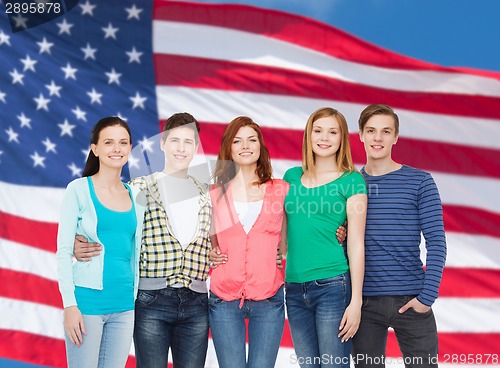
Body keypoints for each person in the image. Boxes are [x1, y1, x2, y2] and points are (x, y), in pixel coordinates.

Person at [73, 113, 212, 368]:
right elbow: (113, 227)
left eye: (189, 142)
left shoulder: (207, 193)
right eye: (175, 140)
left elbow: (220, 237)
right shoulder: (139, 188)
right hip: (152, 299)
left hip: (196, 301)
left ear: (196, 147)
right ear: (162, 144)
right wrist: (76, 242)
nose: (181, 148)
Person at [351, 104, 447, 368]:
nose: (377, 138)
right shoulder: (349, 184)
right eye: (371, 131)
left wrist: (426, 298)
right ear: (360, 135)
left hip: (412, 300)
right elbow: (346, 241)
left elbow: (437, 243)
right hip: (364, 304)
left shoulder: (420, 182)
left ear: (395, 137)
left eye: (385, 131)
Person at [56, 117, 146, 367]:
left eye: (123, 142)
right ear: (95, 148)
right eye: (109, 142)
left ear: (130, 148)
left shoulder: (136, 195)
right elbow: (63, 251)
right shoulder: (78, 189)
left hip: (125, 305)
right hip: (87, 304)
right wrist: (70, 306)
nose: (116, 149)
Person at [283, 107, 367, 368]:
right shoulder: (290, 177)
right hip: (294, 288)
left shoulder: (352, 181)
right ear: (308, 135)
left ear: (342, 138)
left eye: (333, 132)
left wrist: (356, 302)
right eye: (318, 131)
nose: (324, 137)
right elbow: (280, 237)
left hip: (332, 285)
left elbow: (355, 244)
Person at [208, 116, 288, 368]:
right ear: (228, 149)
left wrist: (342, 230)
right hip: (224, 298)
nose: (245, 145)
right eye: (237, 140)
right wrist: (208, 253)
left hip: (269, 297)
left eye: (251, 139)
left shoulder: (281, 189)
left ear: (260, 146)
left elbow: (292, 237)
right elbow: (204, 240)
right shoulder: (214, 193)